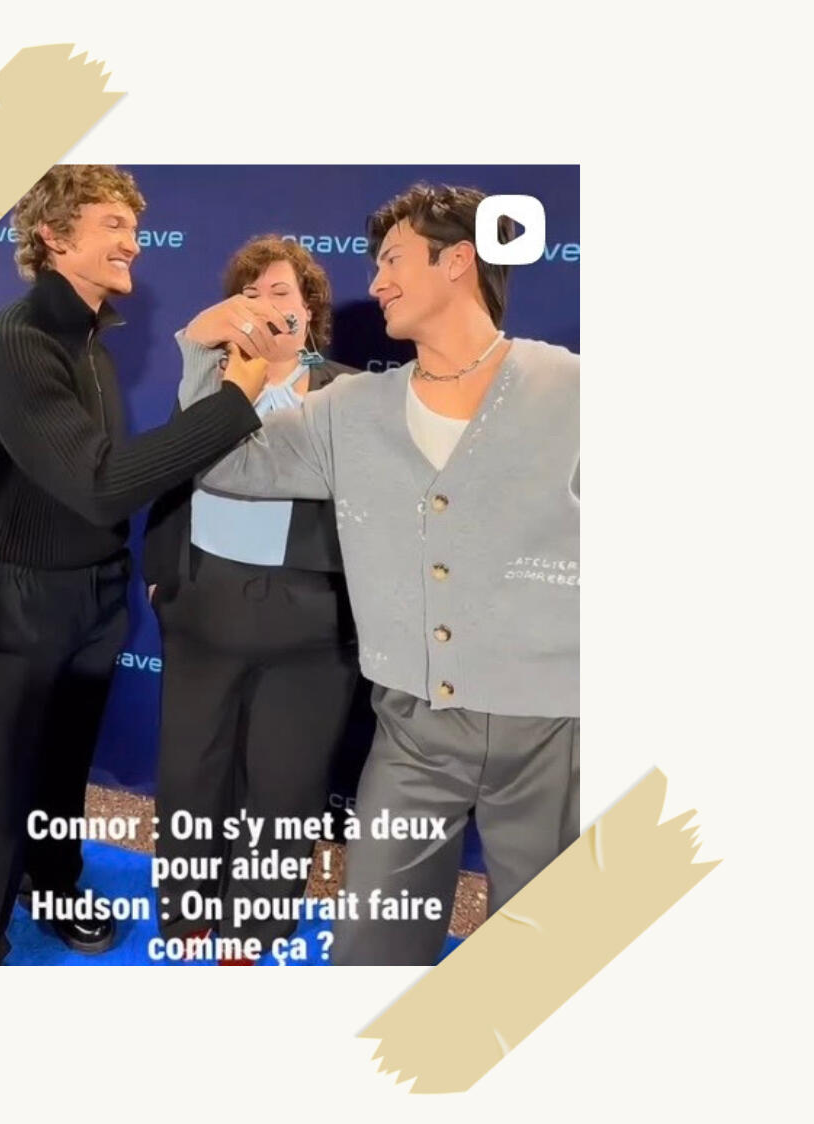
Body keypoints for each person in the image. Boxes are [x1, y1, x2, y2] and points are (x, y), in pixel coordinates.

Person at [176, 183, 579, 966]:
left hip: (557, 733)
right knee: (370, 947)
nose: (377, 282)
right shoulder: (349, 409)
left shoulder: (574, 389)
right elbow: (224, 465)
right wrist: (200, 352)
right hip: (411, 734)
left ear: (457, 261)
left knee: (552, 961)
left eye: (393, 260)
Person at [0, 165, 289, 966]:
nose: (134, 243)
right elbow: (102, 484)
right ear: (53, 235)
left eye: (134, 227)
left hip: (92, 596)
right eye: (113, 225)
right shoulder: (13, 343)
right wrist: (237, 400)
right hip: (17, 599)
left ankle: (52, 883)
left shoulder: (91, 342)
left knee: (63, 768)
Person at [144, 236, 360, 963]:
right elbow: (172, 473)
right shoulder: (205, 381)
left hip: (310, 623)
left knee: (285, 784)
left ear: (310, 310)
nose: (266, 306)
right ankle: (187, 918)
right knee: (190, 770)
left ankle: (253, 931)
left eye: (281, 293)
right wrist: (163, 574)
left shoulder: (346, 394)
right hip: (204, 605)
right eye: (251, 293)